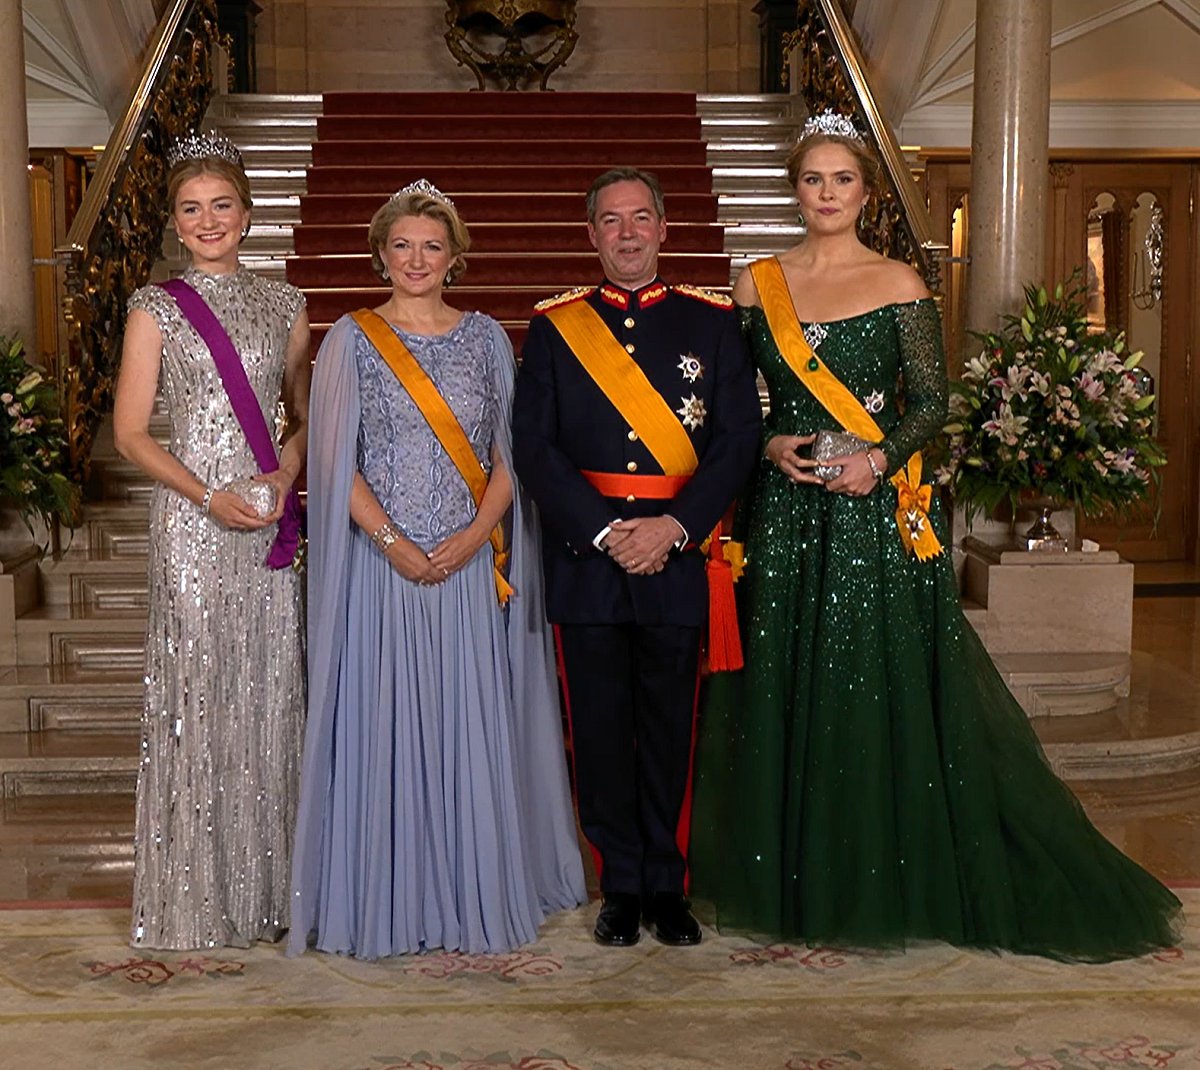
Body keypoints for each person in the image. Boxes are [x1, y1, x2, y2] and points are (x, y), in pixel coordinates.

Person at [688, 110, 1182, 961]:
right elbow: (736, 406)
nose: (827, 194)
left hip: (871, 517)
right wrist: (770, 445)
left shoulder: (900, 282)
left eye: (843, 180)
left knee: (867, 682)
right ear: (795, 190)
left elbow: (933, 403)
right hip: (787, 510)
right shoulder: (753, 283)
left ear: (866, 194)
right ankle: (795, 873)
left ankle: (882, 870)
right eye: (813, 180)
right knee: (787, 678)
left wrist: (877, 462)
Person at [289, 181, 586, 959]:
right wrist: (393, 541)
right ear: (380, 253)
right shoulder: (349, 339)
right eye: (402, 246)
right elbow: (334, 461)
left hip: (466, 567)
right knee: (385, 730)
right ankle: (386, 901)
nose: (416, 260)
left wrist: (475, 535)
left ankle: (468, 893)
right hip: (379, 568)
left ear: (455, 255)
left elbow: (511, 457)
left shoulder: (487, 340)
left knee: (466, 733)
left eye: (431, 246)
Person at [512, 168, 762, 948]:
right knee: (598, 729)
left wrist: (675, 527)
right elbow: (533, 447)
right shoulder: (556, 326)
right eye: (612, 221)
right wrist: (604, 532)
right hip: (588, 561)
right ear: (592, 235)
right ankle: (620, 882)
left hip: (677, 558)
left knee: (668, 728)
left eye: (640, 218)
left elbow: (737, 441)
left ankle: (667, 882)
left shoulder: (711, 322)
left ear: (663, 228)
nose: (627, 234)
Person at [114, 131, 310, 949]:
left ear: (247, 212)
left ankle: (271, 894)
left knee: (270, 689)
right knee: (198, 695)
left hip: (264, 516)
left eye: (221, 205)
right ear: (173, 221)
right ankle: (194, 898)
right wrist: (208, 496)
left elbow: (302, 417)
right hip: (193, 525)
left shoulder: (287, 304)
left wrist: (282, 477)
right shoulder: (154, 306)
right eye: (191, 209)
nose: (207, 220)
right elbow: (130, 434)